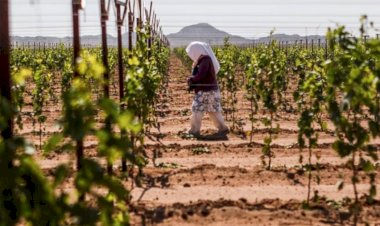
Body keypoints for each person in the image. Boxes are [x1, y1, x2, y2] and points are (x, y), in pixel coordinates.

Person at [186, 41, 229, 137]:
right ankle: (222, 128)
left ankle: (194, 130)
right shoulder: (203, 60)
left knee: (197, 109)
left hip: (206, 90)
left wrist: (191, 79)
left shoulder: (205, 60)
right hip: (209, 90)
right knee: (212, 111)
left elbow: (201, 75)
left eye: (193, 52)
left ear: (197, 51)